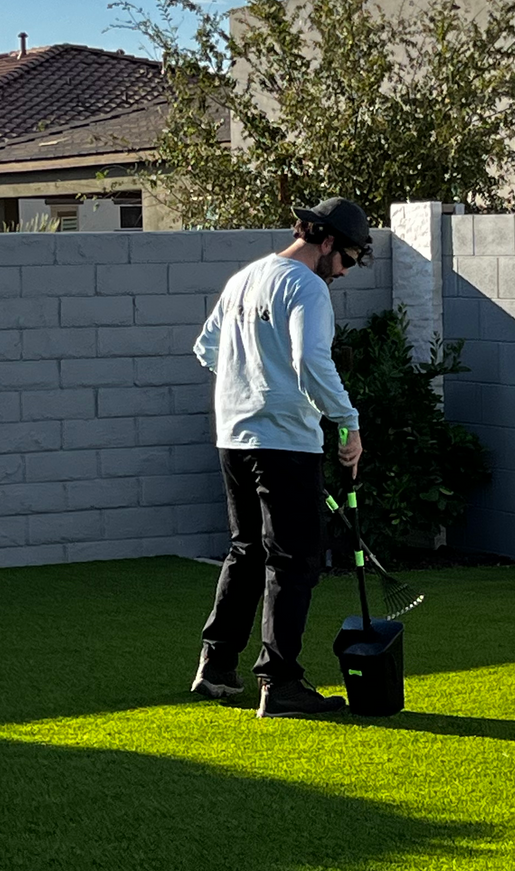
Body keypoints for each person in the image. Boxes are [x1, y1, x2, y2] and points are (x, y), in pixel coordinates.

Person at [189, 197, 372, 718]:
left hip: (234, 437)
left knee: (247, 549)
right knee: (294, 561)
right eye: (349, 259)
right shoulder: (306, 287)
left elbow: (206, 348)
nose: (345, 272)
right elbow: (310, 359)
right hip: (285, 442)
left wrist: (247, 384)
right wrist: (348, 421)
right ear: (328, 241)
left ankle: (216, 666)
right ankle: (280, 683)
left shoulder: (245, 278)